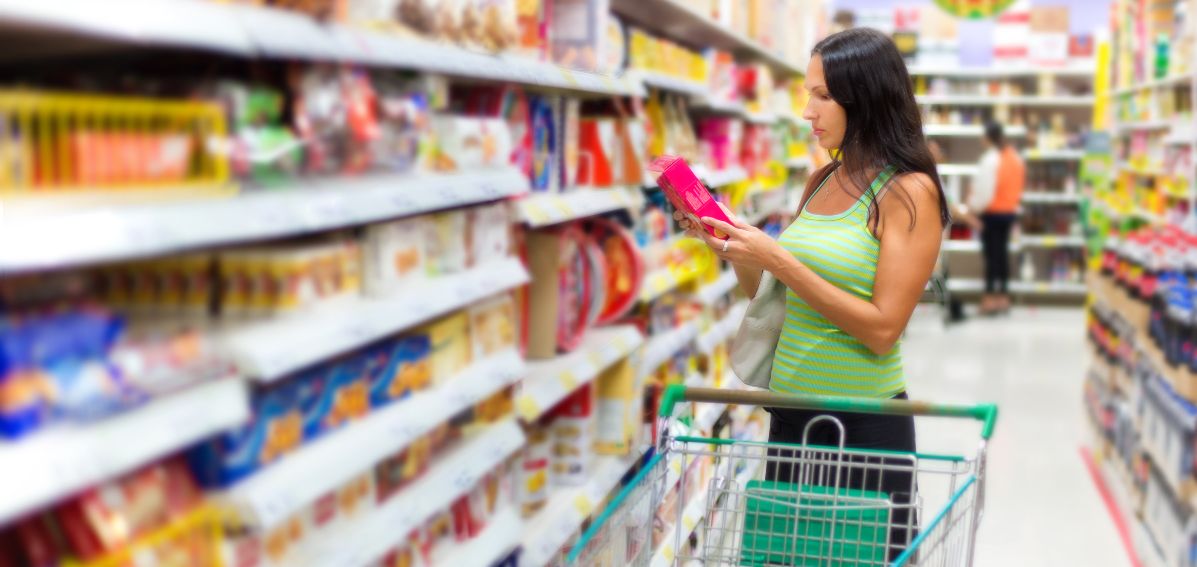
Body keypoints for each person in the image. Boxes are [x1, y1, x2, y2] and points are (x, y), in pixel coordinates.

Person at [676, 28, 948, 559]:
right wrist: (734, 249)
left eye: (822, 95)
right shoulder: (821, 181)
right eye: (808, 94)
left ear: (864, 97)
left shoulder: (909, 191)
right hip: (791, 413)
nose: (807, 111)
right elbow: (776, 296)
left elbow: (882, 328)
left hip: (862, 425)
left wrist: (779, 257)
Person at [967, 121, 1025, 315]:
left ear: (988, 137)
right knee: (1002, 256)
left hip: (992, 213)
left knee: (991, 257)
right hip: (1009, 212)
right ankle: (1004, 297)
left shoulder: (991, 159)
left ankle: (989, 300)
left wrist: (973, 208)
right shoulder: (1015, 158)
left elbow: (985, 191)